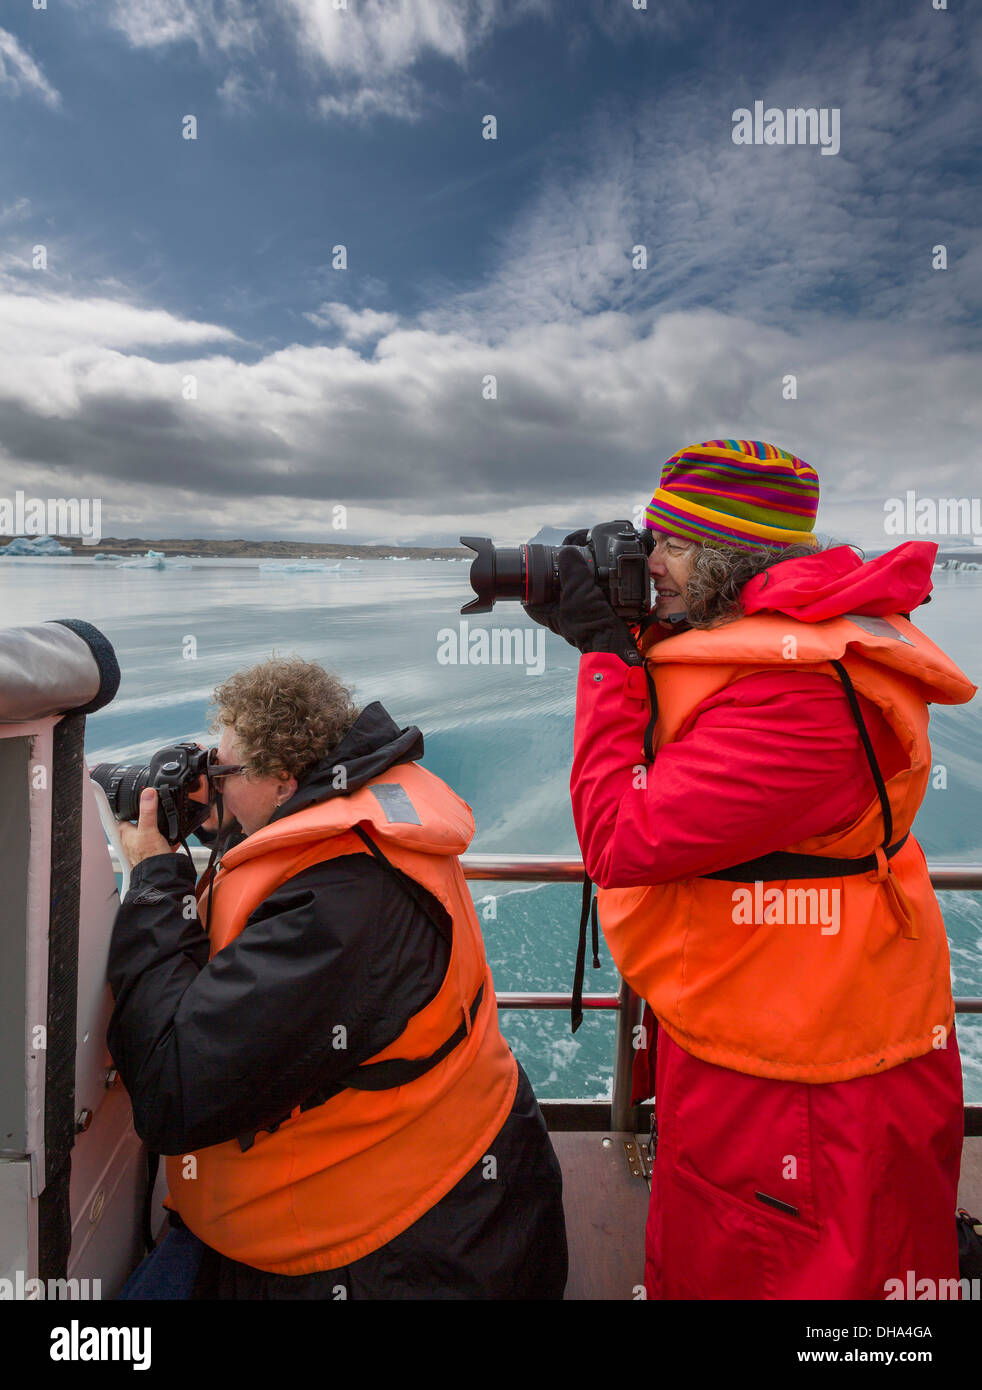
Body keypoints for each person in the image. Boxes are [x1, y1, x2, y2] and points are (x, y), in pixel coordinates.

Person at [525, 437, 976, 1299]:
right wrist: (622, 627)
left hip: (811, 1067)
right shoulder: (782, 633)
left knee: (792, 1268)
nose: (649, 560)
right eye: (649, 537)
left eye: (670, 544)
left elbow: (622, 840)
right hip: (767, 1018)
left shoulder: (806, 697)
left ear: (731, 560)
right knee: (725, 1241)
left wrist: (603, 657)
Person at [107, 656, 568, 1299]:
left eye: (225, 770)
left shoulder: (338, 904)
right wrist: (227, 820)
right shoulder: (365, 824)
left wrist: (157, 882)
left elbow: (171, 1091)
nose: (213, 782)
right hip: (470, 1171)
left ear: (284, 782)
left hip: (385, 1246)